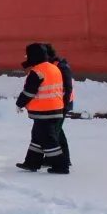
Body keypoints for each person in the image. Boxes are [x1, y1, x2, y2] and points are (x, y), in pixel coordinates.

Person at [15, 42, 69, 174]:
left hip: (44, 112)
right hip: (56, 110)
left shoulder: (37, 72)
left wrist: (19, 103)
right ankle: (31, 163)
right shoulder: (54, 68)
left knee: (48, 140)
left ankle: (61, 166)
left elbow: (29, 92)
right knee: (37, 137)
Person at [45, 43, 73, 171]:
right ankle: (63, 159)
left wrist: (64, 105)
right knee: (57, 132)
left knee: (54, 132)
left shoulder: (61, 67)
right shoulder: (54, 66)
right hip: (57, 104)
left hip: (62, 105)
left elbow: (68, 88)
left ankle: (61, 162)